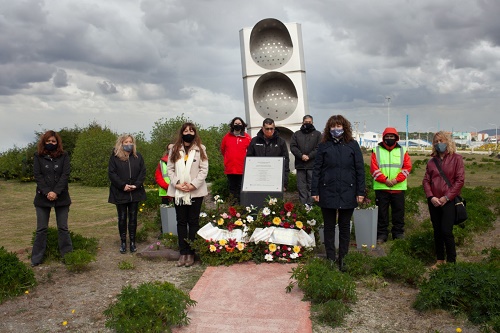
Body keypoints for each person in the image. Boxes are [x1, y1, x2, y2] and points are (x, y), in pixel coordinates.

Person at [311, 115, 365, 271]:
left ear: (344, 127)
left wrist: (360, 191)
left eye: (339, 126)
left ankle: (343, 259)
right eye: (333, 126)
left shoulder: (352, 145)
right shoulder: (323, 146)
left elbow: (360, 170)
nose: (336, 129)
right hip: (327, 190)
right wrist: (315, 190)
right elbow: (317, 170)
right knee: (329, 227)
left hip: (348, 191)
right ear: (329, 128)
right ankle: (330, 258)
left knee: (344, 227)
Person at [167, 123, 209, 267]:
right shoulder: (174, 149)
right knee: (181, 222)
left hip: (195, 191)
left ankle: (191, 253)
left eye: (191, 130)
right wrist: (177, 183)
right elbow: (170, 169)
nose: (188, 132)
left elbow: (204, 170)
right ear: (181, 133)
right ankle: (183, 252)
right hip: (178, 190)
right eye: (185, 130)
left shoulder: (200, 149)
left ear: (195, 133)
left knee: (193, 222)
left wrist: (193, 185)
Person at [31, 130, 73, 267]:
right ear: (44, 142)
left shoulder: (64, 155)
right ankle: (36, 258)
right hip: (42, 198)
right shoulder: (38, 156)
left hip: (62, 197)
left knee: (63, 228)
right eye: (48, 141)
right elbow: (38, 175)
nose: (51, 143)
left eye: (53, 141)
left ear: (57, 143)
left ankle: (68, 256)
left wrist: (56, 192)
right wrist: (47, 192)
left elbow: (65, 175)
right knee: (41, 229)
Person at [423, 131, 464, 268]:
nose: (439, 144)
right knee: (437, 231)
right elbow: (426, 180)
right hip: (434, 201)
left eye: (441, 140)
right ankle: (440, 260)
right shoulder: (431, 161)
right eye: (436, 141)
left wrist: (447, 197)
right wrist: (431, 196)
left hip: (448, 200)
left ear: (448, 142)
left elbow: (460, 180)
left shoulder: (456, 159)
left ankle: (452, 261)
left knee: (446, 230)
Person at [370, 127, 412, 243]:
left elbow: (407, 167)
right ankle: (382, 235)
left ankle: (398, 234)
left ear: (396, 138)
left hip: (398, 188)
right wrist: (385, 180)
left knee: (398, 212)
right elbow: (373, 169)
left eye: (392, 137)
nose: (389, 139)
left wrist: (396, 180)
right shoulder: (376, 150)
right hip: (381, 187)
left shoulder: (403, 150)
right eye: (387, 137)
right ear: (383, 138)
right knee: (381, 214)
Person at [108, 134, 146, 254]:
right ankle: (123, 242)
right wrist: (123, 185)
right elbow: (112, 173)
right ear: (121, 143)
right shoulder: (115, 157)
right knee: (122, 217)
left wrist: (136, 185)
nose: (128, 144)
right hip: (120, 192)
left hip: (135, 192)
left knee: (133, 218)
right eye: (126, 142)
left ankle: (133, 242)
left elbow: (142, 172)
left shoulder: (138, 156)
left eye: (130, 142)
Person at [246, 118, 290, 190]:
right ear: (262, 128)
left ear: (274, 128)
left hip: (275, 178)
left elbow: (286, 162)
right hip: (258, 178)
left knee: (274, 200)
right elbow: (249, 160)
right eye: (267, 129)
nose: (269, 131)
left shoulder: (281, 142)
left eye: (271, 129)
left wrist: (284, 183)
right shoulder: (254, 141)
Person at [290, 115, 322, 206]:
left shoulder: (318, 134)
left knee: (312, 186)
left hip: (312, 165)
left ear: (312, 123)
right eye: (306, 122)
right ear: (302, 122)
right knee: (301, 186)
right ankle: (303, 205)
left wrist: (309, 156)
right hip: (300, 165)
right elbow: (293, 147)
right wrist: (301, 156)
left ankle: (310, 205)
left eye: (309, 122)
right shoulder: (296, 134)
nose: (307, 124)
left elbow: (319, 147)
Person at [220, 117, 251, 203]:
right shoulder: (227, 137)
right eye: (236, 124)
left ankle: (242, 206)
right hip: (230, 168)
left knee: (241, 188)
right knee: (232, 188)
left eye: (239, 124)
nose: (237, 125)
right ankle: (233, 208)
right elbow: (223, 150)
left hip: (242, 168)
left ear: (243, 125)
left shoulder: (247, 137)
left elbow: (251, 151)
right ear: (232, 125)